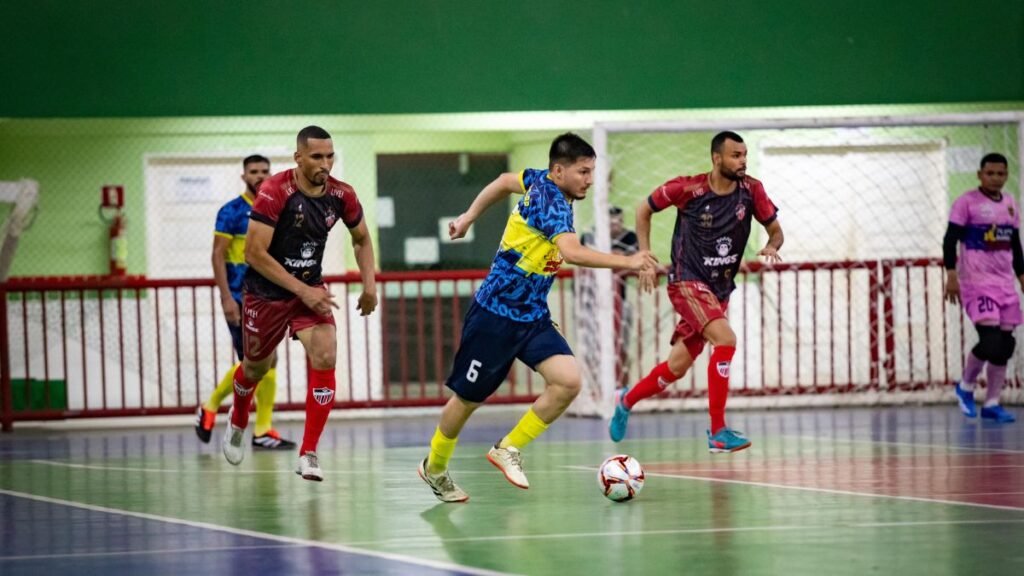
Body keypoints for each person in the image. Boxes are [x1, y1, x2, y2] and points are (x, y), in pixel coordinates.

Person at [418, 133, 658, 502]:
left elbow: (501, 182)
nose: (590, 180)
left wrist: (468, 217)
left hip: (532, 315)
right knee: (466, 401)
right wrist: (628, 260)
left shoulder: (539, 179)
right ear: (559, 171)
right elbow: (573, 252)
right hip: (494, 314)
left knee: (568, 382)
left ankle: (507, 448)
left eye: (592, 171)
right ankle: (434, 467)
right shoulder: (553, 204)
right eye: (583, 172)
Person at [609, 131, 784, 452]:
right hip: (686, 281)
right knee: (726, 339)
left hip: (719, 288)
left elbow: (775, 230)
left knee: (676, 368)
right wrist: (645, 257)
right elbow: (643, 208)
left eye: (745, 154)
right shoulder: (688, 188)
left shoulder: (752, 190)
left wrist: (772, 245)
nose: (742, 160)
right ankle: (718, 431)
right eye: (735, 155)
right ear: (717, 158)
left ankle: (626, 399)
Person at [222, 126, 379, 480]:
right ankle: (238, 417)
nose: (325, 163)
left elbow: (362, 238)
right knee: (256, 368)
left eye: (330, 156)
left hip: (310, 289)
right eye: (316, 157)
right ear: (298, 158)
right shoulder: (275, 192)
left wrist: (369, 284)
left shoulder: (342, 195)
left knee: (325, 354)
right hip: (266, 293)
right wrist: (302, 291)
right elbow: (253, 253)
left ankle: (309, 452)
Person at [194, 155, 296, 450]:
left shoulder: (280, 208)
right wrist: (226, 297)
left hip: (269, 296)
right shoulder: (232, 211)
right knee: (253, 362)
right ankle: (211, 406)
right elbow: (217, 254)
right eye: (254, 172)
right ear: (244, 177)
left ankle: (262, 429)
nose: (260, 176)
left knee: (268, 360)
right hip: (240, 297)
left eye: (265, 171)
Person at [944, 153, 1019, 424]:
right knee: (990, 341)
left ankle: (992, 402)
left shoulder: (1011, 204)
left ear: (1006, 175)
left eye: (1001, 174)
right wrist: (951, 274)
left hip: (1005, 284)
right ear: (980, 174)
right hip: (977, 283)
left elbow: (1016, 244)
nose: (995, 178)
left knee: (1006, 345)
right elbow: (950, 239)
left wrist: (1021, 275)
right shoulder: (966, 203)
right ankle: (965, 387)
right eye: (990, 173)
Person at [582, 206, 640, 386]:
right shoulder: (590, 236)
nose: (616, 226)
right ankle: (596, 388)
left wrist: (608, 258)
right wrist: (615, 258)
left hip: (620, 301)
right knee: (592, 348)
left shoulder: (630, 237)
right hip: (592, 302)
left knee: (622, 346)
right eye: (612, 222)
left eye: (619, 221)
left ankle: (621, 386)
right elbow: (584, 260)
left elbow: (633, 262)